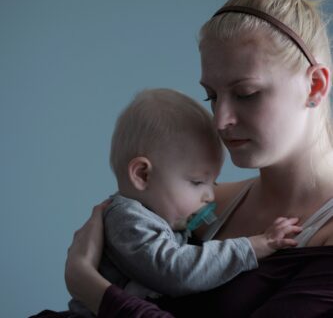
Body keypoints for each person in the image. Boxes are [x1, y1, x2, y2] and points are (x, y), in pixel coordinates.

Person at [31, 0, 333, 317]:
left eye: (246, 93)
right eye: (212, 96)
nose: (220, 120)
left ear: (314, 85)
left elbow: (104, 283)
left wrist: (89, 287)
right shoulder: (202, 203)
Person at [69, 88, 300, 317]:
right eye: (197, 181)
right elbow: (176, 270)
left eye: (213, 183)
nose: (210, 196)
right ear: (142, 175)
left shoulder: (162, 219)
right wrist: (254, 246)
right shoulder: (128, 220)